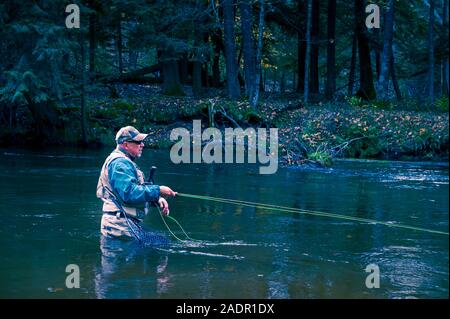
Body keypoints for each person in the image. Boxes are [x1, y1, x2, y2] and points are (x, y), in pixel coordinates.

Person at [96, 126, 176, 239]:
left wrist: (157, 198)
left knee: (162, 241)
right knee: (163, 243)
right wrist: (158, 190)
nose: (142, 145)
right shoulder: (120, 164)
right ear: (125, 144)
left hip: (124, 223)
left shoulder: (123, 162)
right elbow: (129, 193)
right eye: (138, 142)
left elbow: (132, 192)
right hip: (119, 227)